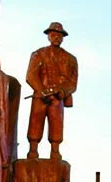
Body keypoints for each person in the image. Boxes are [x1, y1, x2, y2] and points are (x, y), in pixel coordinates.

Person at [25, 21, 78, 161]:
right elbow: (30, 76)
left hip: (57, 97)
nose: (57, 38)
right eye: (54, 35)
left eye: (59, 36)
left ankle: (55, 151)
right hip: (40, 95)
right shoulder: (38, 54)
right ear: (49, 36)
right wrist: (42, 91)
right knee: (36, 121)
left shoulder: (70, 59)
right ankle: (33, 150)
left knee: (56, 123)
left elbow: (72, 82)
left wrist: (62, 91)